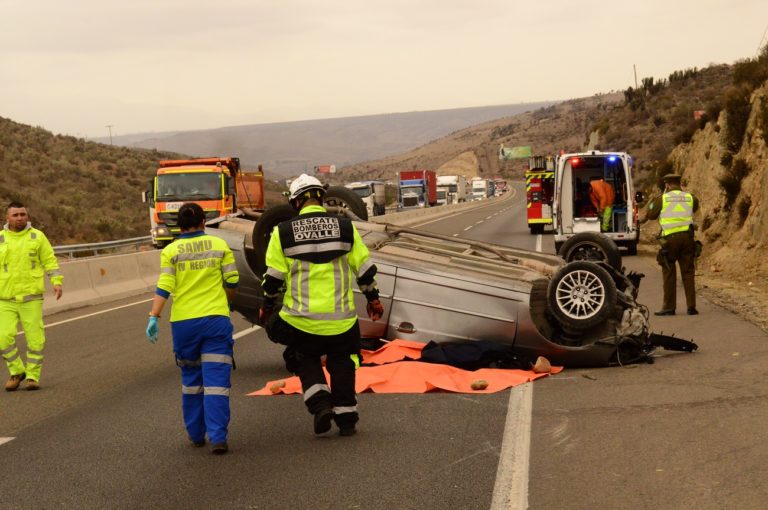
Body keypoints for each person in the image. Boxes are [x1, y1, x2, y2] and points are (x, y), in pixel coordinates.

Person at [259, 174, 382, 437]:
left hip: (302, 320)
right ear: (320, 197)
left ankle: (320, 404)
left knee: (302, 356)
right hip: (341, 320)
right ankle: (347, 419)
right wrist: (373, 299)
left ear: (295, 202)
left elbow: (273, 279)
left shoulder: (283, 232)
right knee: (344, 362)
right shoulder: (345, 228)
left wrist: (266, 306)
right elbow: (364, 270)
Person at [145, 202, 239, 454]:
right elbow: (232, 280)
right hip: (215, 320)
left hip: (184, 323)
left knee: (191, 381)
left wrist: (155, 315)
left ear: (179, 224)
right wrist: (226, 303)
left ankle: (196, 435)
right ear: (203, 222)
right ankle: (218, 437)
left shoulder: (171, 250)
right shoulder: (219, 245)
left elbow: (164, 284)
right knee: (217, 381)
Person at [1, 202, 63, 391]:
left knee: (35, 339)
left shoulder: (37, 237)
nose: (20, 218)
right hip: (5, 299)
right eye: (15, 215)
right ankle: (17, 371)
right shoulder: (1, 239)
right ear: (7, 218)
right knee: (3, 337)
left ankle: (32, 376)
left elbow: (49, 260)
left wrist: (56, 281)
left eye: (23, 214)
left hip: (31, 298)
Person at [646, 173, 700, 316]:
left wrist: (653, 200)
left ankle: (669, 307)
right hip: (687, 238)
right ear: (680, 183)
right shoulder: (690, 198)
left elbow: (651, 214)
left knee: (669, 272)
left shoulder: (662, 199)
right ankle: (691, 307)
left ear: (667, 185)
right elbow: (694, 208)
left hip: (669, 240)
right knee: (688, 272)